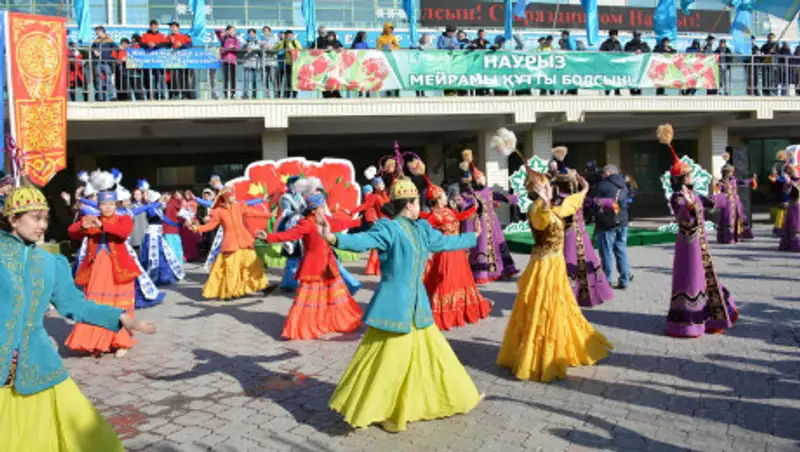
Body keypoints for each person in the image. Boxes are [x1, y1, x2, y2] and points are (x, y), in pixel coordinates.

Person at [0, 184, 156, 452]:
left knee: (83, 434)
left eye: (46, 218)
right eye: (35, 218)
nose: (42, 226)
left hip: (39, 363)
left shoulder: (50, 262)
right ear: (13, 219)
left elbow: (74, 304)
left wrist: (121, 318)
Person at [324, 176, 482, 432]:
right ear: (409, 204)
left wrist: (472, 238)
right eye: (418, 201)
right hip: (394, 307)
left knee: (435, 357)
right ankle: (383, 409)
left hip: (418, 307)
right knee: (387, 364)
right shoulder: (388, 228)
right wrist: (334, 239)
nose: (421, 205)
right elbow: (362, 240)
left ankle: (445, 399)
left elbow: (445, 243)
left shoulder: (421, 229)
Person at [496, 168, 612, 382]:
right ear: (538, 190)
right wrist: (545, 202)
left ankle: (561, 346)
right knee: (544, 308)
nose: (551, 188)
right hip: (544, 267)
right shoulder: (536, 209)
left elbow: (570, 205)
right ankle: (540, 356)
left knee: (560, 306)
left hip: (555, 264)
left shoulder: (553, 207)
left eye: (549, 185)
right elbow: (542, 220)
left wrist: (584, 189)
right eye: (547, 186)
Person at [659, 126, 738, 337]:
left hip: (700, 244)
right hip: (688, 245)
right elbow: (684, 215)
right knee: (691, 279)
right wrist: (689, 206)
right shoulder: (677, 197)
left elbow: (712, 202)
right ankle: (687, 324)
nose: (692, 176)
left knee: (705, 278)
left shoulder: (693, 193)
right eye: (689, 174)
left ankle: (711, 317)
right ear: (683, 178)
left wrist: (725, 191)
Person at [65, 170, 143, 358]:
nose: (107, 208)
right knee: (95, 304)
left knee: (119, 304)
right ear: (98, 206)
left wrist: (102, 226)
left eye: (110, 204)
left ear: (116, 205)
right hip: (96, 269)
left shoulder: (123, 218)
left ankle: (122, 341)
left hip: (119, 270)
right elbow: (71, 231)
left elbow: (123, 233)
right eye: (103, 205)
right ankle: (95, 342)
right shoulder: (92, 219)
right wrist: (82, 226)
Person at [264, 193, 363, 340]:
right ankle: (304, 327)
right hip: (313, 266)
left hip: (328, 265)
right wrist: (268, 237)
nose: (324, 209)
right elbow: (289, 235)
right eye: (322, 207)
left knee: (332, 296)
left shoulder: (326, 220)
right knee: (309, 300)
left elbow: (339, 224)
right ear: (314, 209)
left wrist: (359, 223)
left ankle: (331, 322)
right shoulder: (306, 223)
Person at [419, 170, 492, 330]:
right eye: (444, 196)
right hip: (445, 254)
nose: (446, 197)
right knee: (446, 281)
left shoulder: (449, 211)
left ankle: (464, 308)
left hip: (458, 252)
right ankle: (445, 312)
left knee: (462, 280)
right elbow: (424, 227)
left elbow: (460, 217)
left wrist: (473, 208)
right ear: (437, 199)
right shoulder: (435, 216)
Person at [550, 147, 615, 306]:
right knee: (579, 261)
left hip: (567, 236)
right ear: (571, 184)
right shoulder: (573, 198)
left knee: (571, 262)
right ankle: (585, 295)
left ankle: (570, 294)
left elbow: (591, 202)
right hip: (576, 235)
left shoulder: (557, 199)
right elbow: (593, 202)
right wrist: (611, 203)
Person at [191, 186, 271, 300]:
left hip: (245, 241)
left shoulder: (239, 206)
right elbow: (211, 225)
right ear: (226, 197)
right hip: (231, 243)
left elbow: (252, 212)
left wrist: (269, 215)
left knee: (253, 265)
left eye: (234, 194)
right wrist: (197, 228)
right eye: (232, 195)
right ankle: (230, 292)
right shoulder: (218, 211)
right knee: (231, 270)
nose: (234, 197)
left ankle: (262, 286)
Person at [459, 149, 519, 284]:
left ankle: (495, 271)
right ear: (477, 180)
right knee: (483, 247)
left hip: (491, 224)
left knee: (494, 247)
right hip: (482, 224)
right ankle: (485, 272)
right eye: (481, 177)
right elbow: (504, 198)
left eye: (483, 177)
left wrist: (513, 198)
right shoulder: (471, 193)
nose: (483, 179)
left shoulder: (480, 192)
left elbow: (502, 198)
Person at [591, 164, 632, 290]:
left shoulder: (603, 185)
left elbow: (594, 202)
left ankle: (607, 280)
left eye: (603, 173)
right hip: (623, 221)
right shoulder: (624, 184)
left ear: (608, 172)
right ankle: (624, 279)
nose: (602, 175)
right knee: (621, 250)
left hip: (607, 223)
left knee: (606, 252)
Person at [139, 187, 185, 286]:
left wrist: (179, 224)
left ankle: (160, 275)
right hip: (151, 235)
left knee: (161, 255)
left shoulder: (157, 209)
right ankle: (151, 275)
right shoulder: (150, 207)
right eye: (158, 199)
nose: (161, 200)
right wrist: (158, 203)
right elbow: (151, 214)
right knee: (152, 255)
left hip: (158, 235)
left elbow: (166, 220)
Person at [352, 168, 390, 276]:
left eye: (382, 183)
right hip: (381, 223)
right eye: (378, 184)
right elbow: (365, 205)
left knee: (383, 246)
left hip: (390, 223)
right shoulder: (374, 197)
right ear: (374, 187)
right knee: (380, 246)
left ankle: (374, 268)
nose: (381, 185)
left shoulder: (386, 195)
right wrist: (352, 211)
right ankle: (375, 268)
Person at [715, 150, 756, 244]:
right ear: (727, 173)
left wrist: (751, 180)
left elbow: (742, 182)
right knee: (728, 219)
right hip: (727, 203)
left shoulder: (733, 180)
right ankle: (728, 237)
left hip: (735, 201)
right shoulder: (721, 182)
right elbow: (718, 192)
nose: (732, 173)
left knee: (740, 217)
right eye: (731, 172)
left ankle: (738, 235)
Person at [140, 20, 170, 100]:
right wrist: (148, 44)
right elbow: (141, 44)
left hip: (160, 61)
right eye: (153, 26)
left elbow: (166, 44)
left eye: (156, 26)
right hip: (149, 62)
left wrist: (156, 45)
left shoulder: (162, 36)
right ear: (150, 27)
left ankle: (163, 95)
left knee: (161, 77)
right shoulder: (145, 35)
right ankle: (153, 95)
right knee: (152, 78)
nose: (154, 28)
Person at [90, 26, 118, 101]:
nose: (96, 33)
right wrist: (94, 51)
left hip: (106, 63)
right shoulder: (96, 41)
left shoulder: (109, 39)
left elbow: (116, 48)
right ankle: (100, 97)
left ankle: (111, 96)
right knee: (98, 80)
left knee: (108, 80)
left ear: (101, 31)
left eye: (97, 32)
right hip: (97, 63)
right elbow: (92, 49)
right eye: (96, 32)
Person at [168, 22, 193, 99]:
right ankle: (176, 94)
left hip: (185, 61)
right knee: (174, 77)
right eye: (171, 27)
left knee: (185, 78)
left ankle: (185, 94)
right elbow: (164, 45)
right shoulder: (169, 37)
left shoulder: (185, 36)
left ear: (178, 27)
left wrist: (181, 45)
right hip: (174, 61)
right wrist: (170, 44)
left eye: (174, 27)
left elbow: (190, 45)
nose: (172, 29)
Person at [778, 163, 800, 252]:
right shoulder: (789, 181)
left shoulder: (794, 180)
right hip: (794, 205)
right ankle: (794, 244)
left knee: (793, 224)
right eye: (793, 169)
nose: (796, 170)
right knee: (794, 224)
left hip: (795, 204)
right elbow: (787, 191)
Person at [275, 30, 302, 98]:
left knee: (294, 80)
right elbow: (276, 48)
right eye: (288, 35)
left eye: (291, 35)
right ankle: (287, 94)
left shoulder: (295, 42)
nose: (290, 37)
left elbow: (300, 49)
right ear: (286, 36)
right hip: (287, 63)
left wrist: (292, 48)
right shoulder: (284, 42)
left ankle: (294, 94)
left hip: (295, 64)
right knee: (288, 80)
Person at [216, 26, 240, 99]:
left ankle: (233, 93)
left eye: (234, 31)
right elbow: (217, 30)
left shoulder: (236, 39)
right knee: (226, 77)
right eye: (231, 30)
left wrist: (234, 48)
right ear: (228, 31)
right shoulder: (224, 38)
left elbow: (238, 48)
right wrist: (225, 32)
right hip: (225, 60)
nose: (233, 32)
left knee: (233, 77)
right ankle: (225, 92)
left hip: (233, 60)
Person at [624, 31, 650, 96]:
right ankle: (632, 91)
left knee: (639, 79)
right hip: (631, 66)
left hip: (640, 66)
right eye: (636, 36)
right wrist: (634, 51)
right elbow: (626, 51)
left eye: (638, 36)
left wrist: (642, 51)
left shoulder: (644, 44)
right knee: (632, 79)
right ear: (633, 36)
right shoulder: (628, 44)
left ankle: (639, 91)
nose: (637, 37)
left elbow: (648, 51)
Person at [600, 30, 622, 96]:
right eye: (613, 35)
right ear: (610, 36)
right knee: (608, 78)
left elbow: (621, 52)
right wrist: (609, 53)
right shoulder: (605, 43)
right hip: (608, 65)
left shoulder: (618, 43)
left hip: (616, 65)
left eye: (615, 35)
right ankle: (607, 92)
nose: (614, 36)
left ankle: (617, 92)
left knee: (617, 78)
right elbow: (601, 53)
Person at [241, 28, 261, 99]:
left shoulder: (258, 41)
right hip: (247, 62)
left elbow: (260, 49)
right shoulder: (245, 41)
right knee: (246, 79)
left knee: (255, 79)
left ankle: (254, 94)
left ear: (255, 34)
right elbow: (241, 49)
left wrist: (254, 49)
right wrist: (246, 45)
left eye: (252, 33)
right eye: (249, 33)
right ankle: (245, 94)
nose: (251, 35)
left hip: (255, 62)